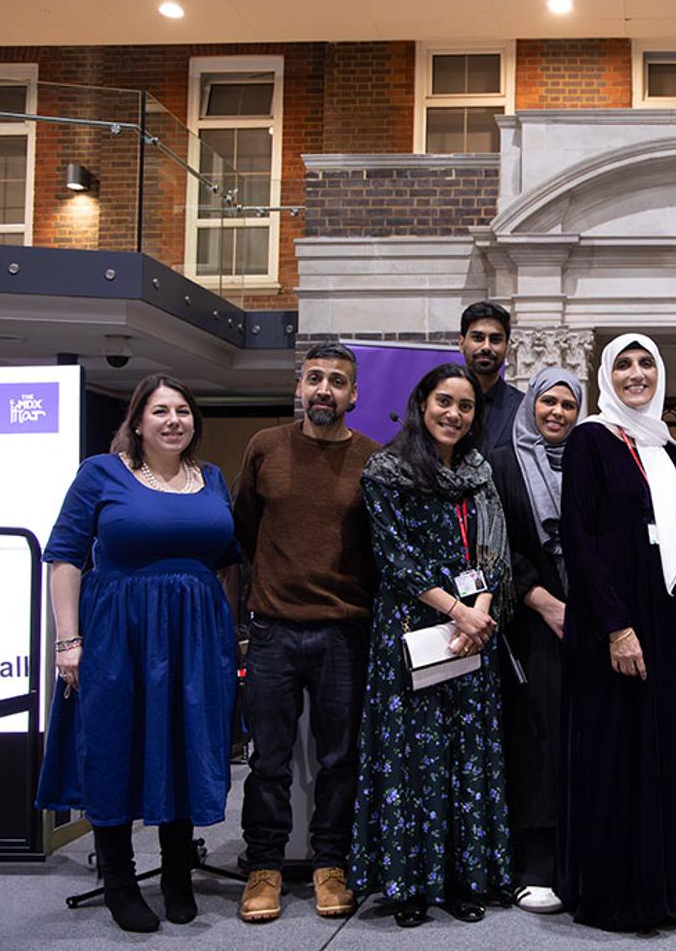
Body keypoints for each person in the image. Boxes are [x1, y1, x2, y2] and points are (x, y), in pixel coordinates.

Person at [36, 375, 238, 933]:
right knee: (113, 746)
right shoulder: (101, 473)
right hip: (117, 633)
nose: (173, 420)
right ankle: (121, 881)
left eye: (183, 411)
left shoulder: (212, 479)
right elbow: (65, 557)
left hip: (194, 637)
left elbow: (227, 560)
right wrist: (67, 640)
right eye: (160, 411)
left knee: (182, 742)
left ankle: (177, 873)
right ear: (138, 420)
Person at [557, 333, 676, 931]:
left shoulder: (667, 449)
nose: (636, 373)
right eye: (623, 364)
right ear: (606, 375)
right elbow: (580, 541)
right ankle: (619, 896)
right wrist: (616, 628)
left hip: (668, 616)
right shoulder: (590, 440)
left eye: (646, 363)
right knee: (618, 755)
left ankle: (672, 887)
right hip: (614, 623)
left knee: (665, 753)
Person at [349, 363, 513, 927]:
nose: (454, 414)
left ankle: (467, 878)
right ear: (422, 404)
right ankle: (409, 884)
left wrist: (480, 614)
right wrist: (458, 611)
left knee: (466, 753)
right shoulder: (387, 471)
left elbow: (492, 553)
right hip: (411, 633)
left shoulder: (478, 473)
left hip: (472, 636)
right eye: (445, 402)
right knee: (412, 760)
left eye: (465, 407)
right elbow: (395, 558)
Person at [231, 342, 381, 922]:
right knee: (267, 759)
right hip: (272, 631)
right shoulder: (265, 447)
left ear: (354, 394)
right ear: (299, 386)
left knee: (339, 759)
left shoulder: (373, 459)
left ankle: (329, 863)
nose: (325, 390)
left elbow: (378, 547)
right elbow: (244, 526)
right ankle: (263, 866)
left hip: (345, 632)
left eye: (337, 381)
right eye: (315, 378)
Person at [487, 367, 583, 915]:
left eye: (569, 405)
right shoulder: (500, 463)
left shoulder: (593, 460)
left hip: (590, 622)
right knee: (537, 740)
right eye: (548, 401)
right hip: (530, 623)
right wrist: (544, 601)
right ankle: (536, 861)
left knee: (583, 736)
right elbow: (494, 543)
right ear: (531, 406)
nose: (557, 413)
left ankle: (579, 855)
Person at [458, 300, 525, 453]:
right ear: (461, 344)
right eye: (478, 338)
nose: (486, 347)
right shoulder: (442, 404)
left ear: (507, 348)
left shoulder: (523, 408)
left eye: (495, 340)